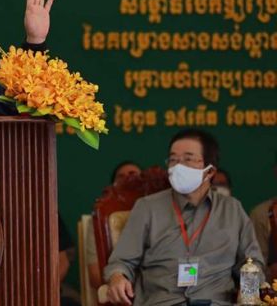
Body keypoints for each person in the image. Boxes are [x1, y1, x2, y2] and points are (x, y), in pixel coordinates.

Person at [104, 129, 263, 305]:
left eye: (188, 159)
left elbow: (252, 262)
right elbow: (121, 261)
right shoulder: (147, 207)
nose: (178, 166)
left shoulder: (232, 210)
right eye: (173, 160)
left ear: (209, 172)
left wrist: (248, 296)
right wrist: (117, 278)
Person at [85, 161, 142, 291]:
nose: (128, 180)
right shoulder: (100, 219)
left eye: (133, 175)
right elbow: (95, 277)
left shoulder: (157, 211)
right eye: (121, 177)